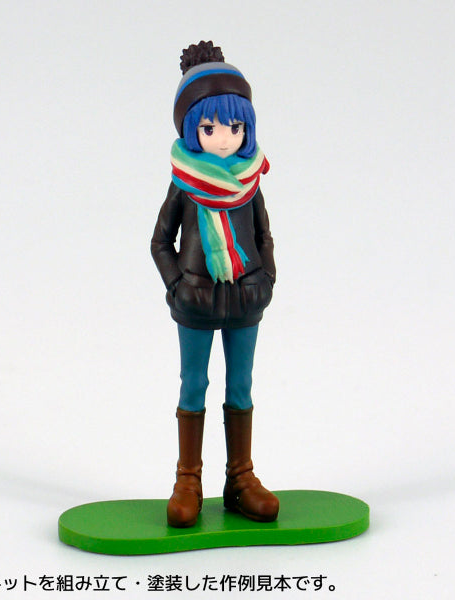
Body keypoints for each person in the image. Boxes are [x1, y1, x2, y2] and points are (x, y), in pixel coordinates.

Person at [151, 41, 279, 528]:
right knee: (194, 384)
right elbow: (160, 242)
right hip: (197, 302)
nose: (223, 138)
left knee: (241, 383)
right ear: (191, 128)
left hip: (246, 298)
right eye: (210, 128)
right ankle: (188, 479)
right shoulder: (185, 184)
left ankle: (240, 477)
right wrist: (177, 286)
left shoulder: (250, 181)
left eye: (234, 127)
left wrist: (266, 276)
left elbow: (264, 235)